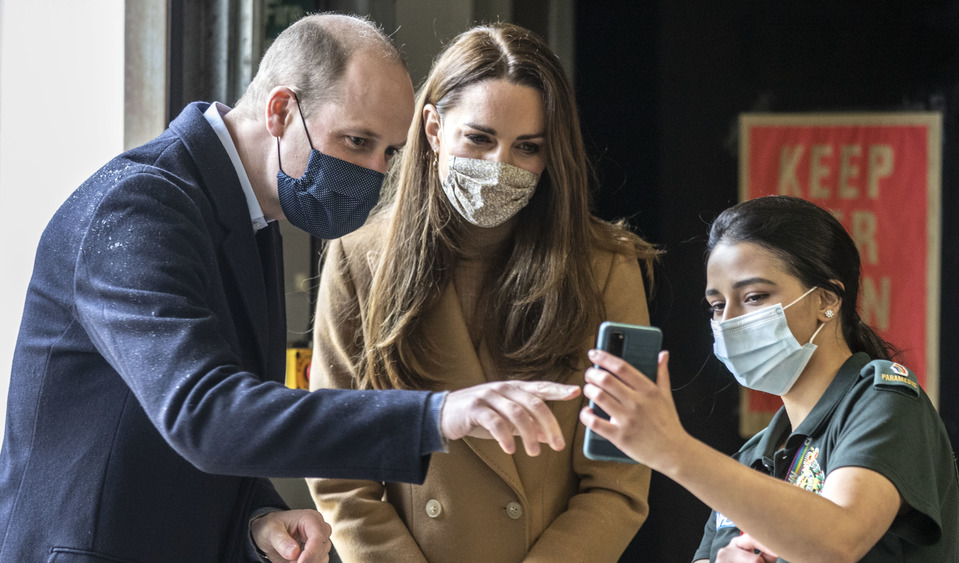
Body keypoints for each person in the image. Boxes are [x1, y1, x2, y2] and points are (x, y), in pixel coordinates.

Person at [0, 13, 580, 563]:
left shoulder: (250, 219)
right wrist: (436, 415)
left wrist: (257, 521)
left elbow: (177, 442)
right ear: (281, 110)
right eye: (357, 141)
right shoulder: (139, 206)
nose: (375, 174)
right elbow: (204, 414)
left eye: (389, 152)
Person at [306, 22, 659, 563]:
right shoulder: (359, 259)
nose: (500, 167)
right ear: (432, 128)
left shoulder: (608, 268)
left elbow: (619, 480)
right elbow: (339, 467)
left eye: (527, 148)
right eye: (479, 138)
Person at [581, 195, 959, 562]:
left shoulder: (883, 399)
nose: (727, 320)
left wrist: (671, 448)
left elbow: (838, 543)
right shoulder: (750, 461)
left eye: (755, 296)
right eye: (717, 305)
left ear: (827, 300)